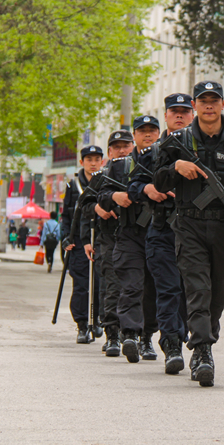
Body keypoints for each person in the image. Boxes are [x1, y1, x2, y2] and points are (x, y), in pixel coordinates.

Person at [154, 81, 224, 387]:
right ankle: (202, 351)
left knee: (217, 293)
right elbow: (159, 183)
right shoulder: (178, 140)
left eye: (214, 100)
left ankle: (205, 335)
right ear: (195, 105)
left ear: (223, 104)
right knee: (197, 289)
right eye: (203, 101)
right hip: (189, 225)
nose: (209, 106)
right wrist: (177, 166)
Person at [128, 93, 192, 375]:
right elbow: (133, 185)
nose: (179, 116)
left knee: (192, 294)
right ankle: (172, 344)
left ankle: (191, 339)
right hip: (163, 230)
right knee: (168, 290)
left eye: (184, 111)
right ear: (165, 116)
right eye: (173, 111)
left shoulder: (205, 150)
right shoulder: (153, 152)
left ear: (193, 115)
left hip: (196, 235)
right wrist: (147, 190)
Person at [97, 116, 160, 364]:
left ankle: (147, 337)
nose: (147, 135)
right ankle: (129, 334)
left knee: (153, 289)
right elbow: (100, 195)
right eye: (142, 131)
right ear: (134, 136)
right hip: (129, 234)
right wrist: (116, 196)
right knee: (130, 285)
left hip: (160, 233)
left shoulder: (168, 161)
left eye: (152, 131)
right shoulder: (120, 166)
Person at [79, 130, 133, 357]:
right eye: (116, 147)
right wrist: (98, 208)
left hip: (137, 237)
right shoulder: (103, 175)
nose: (121, 150)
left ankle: (138, 335)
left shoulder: (142, 171)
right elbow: (85, 204)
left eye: (126, 146)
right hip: (109, 238)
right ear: (109, 152)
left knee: (136, 289)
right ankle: (111, 334)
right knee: (112, 286)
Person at [61, 145, 104, 344]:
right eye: (89, 159)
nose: (93, 163)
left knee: (100, 284)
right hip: (78, 243)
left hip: (101, 240)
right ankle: (82, 325)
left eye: (97, 159)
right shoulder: (73, 185)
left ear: (102, 161)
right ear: (82, 162)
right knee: (81, 285)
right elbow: (66, 216)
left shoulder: (107, 181)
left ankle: (96, 320)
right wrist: (66, 239)